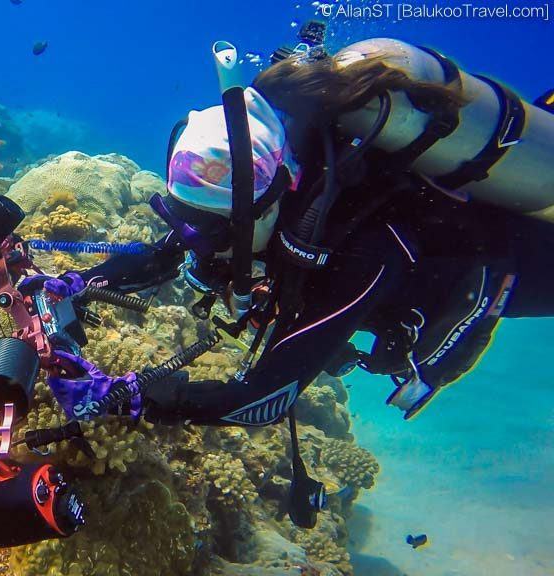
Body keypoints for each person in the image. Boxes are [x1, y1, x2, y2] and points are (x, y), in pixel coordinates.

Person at [35, 37, 554, 427]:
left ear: (265, 206)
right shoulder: (251, 196)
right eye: (186, 217)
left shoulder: (364, 246)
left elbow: (264, 400)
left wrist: (128, 398)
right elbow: (165, 253)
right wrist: (77, 283)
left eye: (214, 229)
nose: (197, 240)